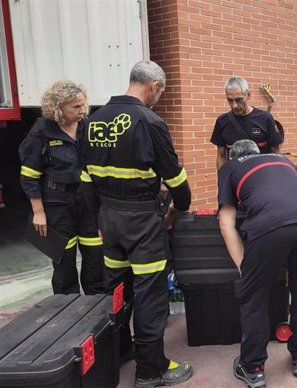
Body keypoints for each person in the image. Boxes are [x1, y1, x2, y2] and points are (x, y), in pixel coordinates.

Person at [83, 60, 193, 386]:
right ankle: (151, 370)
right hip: (142, 223)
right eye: (161, 91)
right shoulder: (150, 122)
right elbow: (175, 178)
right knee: (150, 293)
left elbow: (86, 180)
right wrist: (181, 207)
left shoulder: (92, 121)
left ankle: (119, 351)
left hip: (108, 219)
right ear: (154, 87)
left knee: (117, 289)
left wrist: (99, 220)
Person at [218, 140, 297, 388]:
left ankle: (253, 367)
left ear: (234, 157)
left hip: (270, 225)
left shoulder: (231, 167)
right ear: (258, 152)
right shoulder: (283, 161)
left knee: (254, 294)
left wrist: (245, 269)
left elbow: (226, 222)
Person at [18, 80, 104, 295]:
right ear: (58, 108)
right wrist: (38, 212)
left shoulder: (88, 126)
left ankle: (96, 311)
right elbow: (29, 175)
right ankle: (66, 308)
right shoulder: (42, 130)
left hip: (87, 201)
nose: (82, 111)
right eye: (75, 107)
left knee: (95, 258)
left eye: (83, 105)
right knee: (64, 262)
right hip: (57, 201)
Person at [211, 76, 282, 170]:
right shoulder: (222, 122)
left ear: (248, 94)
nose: (234, 106)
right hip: (236, 181)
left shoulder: (265, 118)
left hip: (263, 178)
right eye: (230, 100)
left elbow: (276, 152)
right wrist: (222, 181)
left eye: (239, 100)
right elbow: (221, 156)